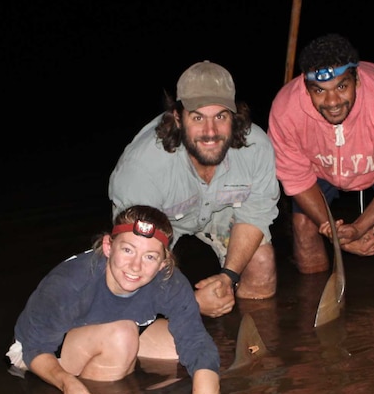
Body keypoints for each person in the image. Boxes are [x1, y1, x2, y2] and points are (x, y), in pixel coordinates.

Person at [109, 61, 280, 319]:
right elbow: (132, 259)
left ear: (234, 117)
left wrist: (228, 276)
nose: (210, 132)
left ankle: (253, 348)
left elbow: (256, 215)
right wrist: (192, 304)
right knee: (137, 284)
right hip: (159, 226)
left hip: (221, 212)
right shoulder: (142, 169)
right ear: (177, 118)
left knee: (262, 262)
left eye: (220, 116)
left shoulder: (256, 147)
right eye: (198, 117)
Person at [5, 205, 221, 394]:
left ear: (163, 263)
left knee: (183, 353)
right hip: (39, 349)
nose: (136, 266)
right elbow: (35, 347)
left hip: (114, 329)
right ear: (108, 247)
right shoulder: (70, 282)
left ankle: (122, 384)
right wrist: (66, 383)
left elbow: (196, 342)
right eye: (128, 250)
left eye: (150, 257)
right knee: (122, 337)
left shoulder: (168, 281)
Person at [268, 33, 374, 278]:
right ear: (306, 88)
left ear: (358, 80)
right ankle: (312, 302)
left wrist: (359, 228)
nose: (332, 101)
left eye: (342, 86)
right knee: (303, 225)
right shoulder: (285, 111)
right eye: (319, 90)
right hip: (320, 160)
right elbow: (296, 180)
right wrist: (335, 234)